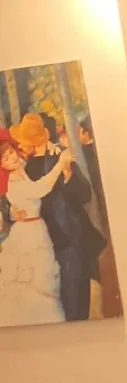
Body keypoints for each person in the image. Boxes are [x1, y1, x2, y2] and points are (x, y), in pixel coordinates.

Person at [11, 113, 105, 322]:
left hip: (67, 243)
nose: (21, 147)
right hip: (40, 248)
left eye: (25, 142)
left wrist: (67, 172)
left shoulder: (61, 158)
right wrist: (13, 212)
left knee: (74, 309)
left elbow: (84, 195)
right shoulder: (22, 167)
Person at [0, 132, 73, 327]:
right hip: (27, 234)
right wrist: (60, 164)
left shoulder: (21, 168)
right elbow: (39, 189)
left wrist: (51, 147)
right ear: (1, 166)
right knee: (30, 282)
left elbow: (34, 155)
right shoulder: (13, 184)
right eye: (5, 159)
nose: (12, 158)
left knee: (43, 278)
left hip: (37, 228)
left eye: (11, 153)